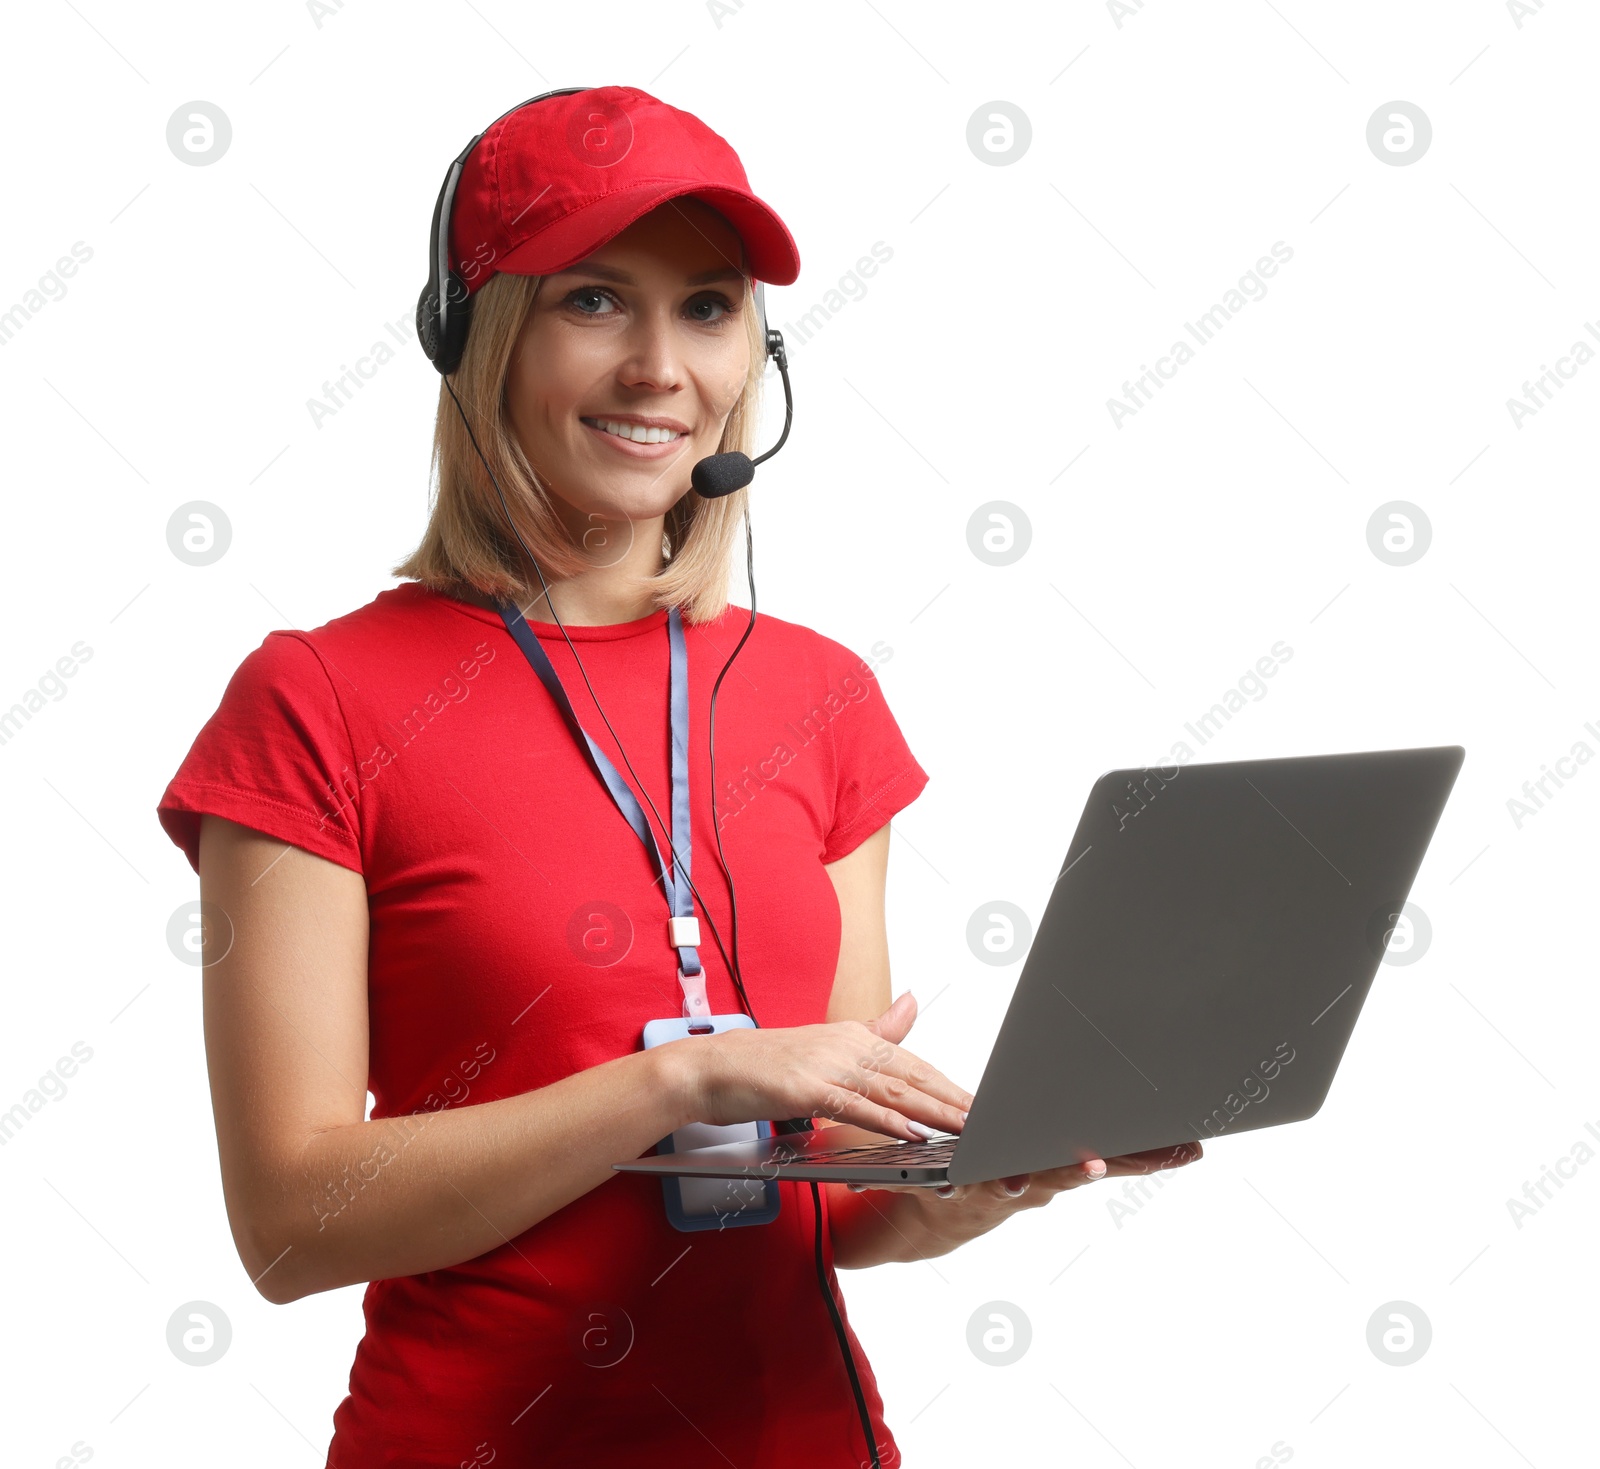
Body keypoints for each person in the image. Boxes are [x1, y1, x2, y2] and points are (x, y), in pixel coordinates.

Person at [155, 85, 1198, 1469]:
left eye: (707, 307)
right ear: (479, 334)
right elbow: (291, 1223)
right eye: (596, 299)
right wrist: (678, 1082)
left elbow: (823, 1197)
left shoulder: (820, 696)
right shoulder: (317, 699)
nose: (661, 366)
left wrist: (974, 1182)